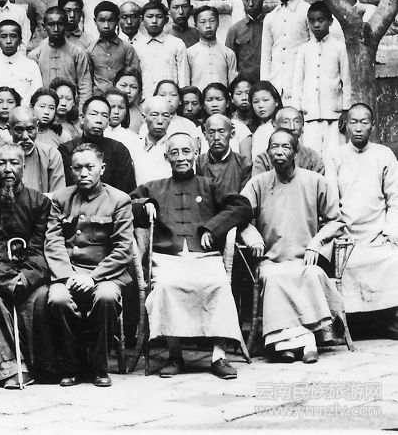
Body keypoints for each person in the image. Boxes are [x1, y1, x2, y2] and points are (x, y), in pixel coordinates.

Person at [132, 132, 252, 379]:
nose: (181, 158)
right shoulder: (155, 187)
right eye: (174, 153)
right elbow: (126, 204)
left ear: (196, 154)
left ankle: (218, 356)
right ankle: (174, 355)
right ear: (167, 157)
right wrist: (144, 204)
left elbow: (242, 206)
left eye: (186, 151)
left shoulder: (210, 185)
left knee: (219, 285)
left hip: (205, 256)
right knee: (166, 286)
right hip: (168, 257)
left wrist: (213, 228)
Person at [241, 129, 347, 363]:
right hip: (271, 260)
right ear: (268, 152)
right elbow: (239, 216)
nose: (279, 152)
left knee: (311, 275)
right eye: (274, 147)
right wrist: (252, 236)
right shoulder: (258, 183)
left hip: (305, 259)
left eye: (285, 147)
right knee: (274, 278)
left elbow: (336, 221)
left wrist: (317, 243)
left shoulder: (314, 181)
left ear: (296, 152)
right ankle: (307, 341)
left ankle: (287, 345)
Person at [45, 143, 134, 387]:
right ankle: (73, 366)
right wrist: (67, 275)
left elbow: (123, 249)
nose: (83, 173)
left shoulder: (119, 200)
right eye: (77, 168)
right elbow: (53, 242)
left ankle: (98, 367)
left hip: (105, 274)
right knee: (58, 299)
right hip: (68, 272)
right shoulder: (60, 199)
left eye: (89, 167)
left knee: (106, 297)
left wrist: (93, 277)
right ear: (71, 170)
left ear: (102, 169)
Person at [0, 143, 54, 387]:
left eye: (13, 163)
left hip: (30, 275)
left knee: (42, 296)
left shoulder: (39, 202)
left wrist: (26, 277)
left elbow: (41, 246)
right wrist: (7, 278)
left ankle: (39, 364)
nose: (7, 169)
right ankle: (8, 366)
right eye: (1, 163)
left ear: (23, 166)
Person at [325, 103, 398, 339]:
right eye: (353, 122)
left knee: (392, 259)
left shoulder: (383, 154)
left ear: (372, 126)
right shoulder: (335, 155)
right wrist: (339, 230)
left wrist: (390, 232)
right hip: (346, 234)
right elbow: (331, 200)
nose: (358, 128)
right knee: (347, 264)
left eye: (364, 122)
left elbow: (395, 197)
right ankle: (353, 323)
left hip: (377, 232)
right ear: (346, 125)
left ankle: (388, 320)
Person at [292, 0, 351, 157]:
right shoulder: (304, 50)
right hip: (309, 115)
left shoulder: (339, 48)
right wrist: (297, 110)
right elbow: (298, 82)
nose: (316, 25)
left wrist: (345, 110)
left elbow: (346, 81)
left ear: (330, 21)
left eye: (320, 20)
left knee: (335, 156)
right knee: (312, 156)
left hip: (334, 114)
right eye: (312, 21)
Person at [58, 96, 136, 194]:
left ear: (108, 121)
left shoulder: (119, 150)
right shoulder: (66, 150)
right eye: (94, 114)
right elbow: (66, 189)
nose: (99, 120)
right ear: (82, 118)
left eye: (104, 116)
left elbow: (125, 191)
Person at [0, 106, 66, 194]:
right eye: (19, 130)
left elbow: (57, 196)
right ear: (9, 129)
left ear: (37, 127)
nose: (25, 137)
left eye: (30, 129)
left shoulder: (51, 155)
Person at [261, 0, 310, 102]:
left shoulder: (307, 11)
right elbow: (266, 57)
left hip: (301, 85)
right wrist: (265, 89)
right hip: (276, 86)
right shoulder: (270, 17)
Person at [29, 7, 93, 112]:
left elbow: (85, 86)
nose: (56, 29)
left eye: (60, 24)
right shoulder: (35, 55)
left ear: (66, 25)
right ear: (44, 27)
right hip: (45, 111)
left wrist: (81, 113)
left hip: (70, 110)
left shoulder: (77, 53)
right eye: (51, 25)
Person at [134, 1, 188, 100]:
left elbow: (183, 77)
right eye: (149, 17)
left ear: (166, 20)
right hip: (145, 101)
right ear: (142, 20)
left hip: (170, 101)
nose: (154, 21)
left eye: (159, 17)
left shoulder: (176, 44)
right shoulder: (136, 46)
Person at [0, 20, 42, 102]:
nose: (8, 41)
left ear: (20, 39)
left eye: (13, 36)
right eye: (3, 37)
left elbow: (38, 98)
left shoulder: (31, 66)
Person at [251, 106, 324, 175]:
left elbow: (319, 182)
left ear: (302, 126)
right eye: (286, 122)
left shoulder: (311, 156)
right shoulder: (263, 159)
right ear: (274, 125)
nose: (292, 127)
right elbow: (258, 183)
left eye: (296, 121)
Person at [86, 0, 140, 95]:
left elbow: (134, 78)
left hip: (122, 98)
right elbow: (87, 81)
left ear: (117, 21)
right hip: (99, 98)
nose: (106, 25)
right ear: (95, 21)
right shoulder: (90, 50)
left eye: (110, 20)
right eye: (102, 20)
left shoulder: (127, 48)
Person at [196, 114, 252, 195]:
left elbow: (244, 198)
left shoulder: (244, 164)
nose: (216, 138)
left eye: (221, 132)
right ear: (205, 135)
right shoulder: (199, 162)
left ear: (232, 134)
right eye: (211, 132)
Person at [186, 5, 237, 89]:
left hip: (222, 96)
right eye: (203, 22)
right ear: (196, 26)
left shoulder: (228, 53)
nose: (208, 26)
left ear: (218, 23)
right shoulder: (189, 53)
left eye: (212, 21)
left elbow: (232, 83)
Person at [224, 0, 265, 81]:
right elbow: (229, 64)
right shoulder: (235, 30)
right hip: (244, 85)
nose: (251, 4)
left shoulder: (271, 25)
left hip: (268, 83)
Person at [133, 95, 175, 186]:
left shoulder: (176, 148)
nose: (160, 121)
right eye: (154, 115)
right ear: (144, 117)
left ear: (171, 119)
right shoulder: (134, 147)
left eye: (165, 116)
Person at [100, 87, 142, 156]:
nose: (116, 112)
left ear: (126, 111)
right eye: (112, 107)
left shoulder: (133, 139)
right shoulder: (96, 134)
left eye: (121, 107)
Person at [249, 81, 283, 160]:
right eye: (256, 102)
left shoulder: (282, 127)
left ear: (276, 102)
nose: (260, 105)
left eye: (265, 100)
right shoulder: (251, 129)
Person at [113, 67, 144, 133]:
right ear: (115, 85)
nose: (128, 91)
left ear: (139, 90)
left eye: (133, 87)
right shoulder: (104, 110)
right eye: (123, 85)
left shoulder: (143, 116)